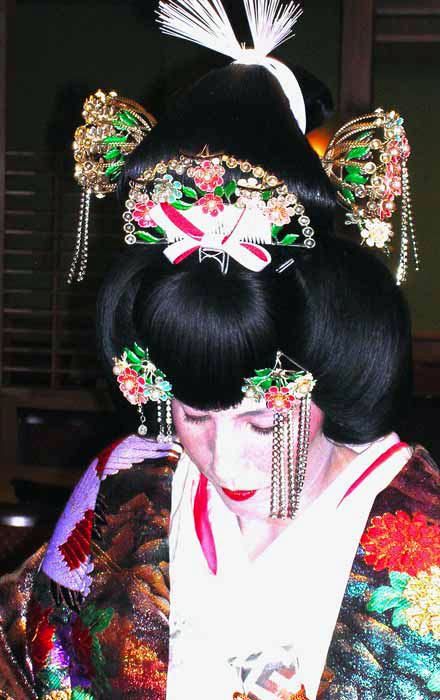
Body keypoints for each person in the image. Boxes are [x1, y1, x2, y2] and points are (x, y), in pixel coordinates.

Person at [0, 2, 438, 700]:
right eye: (195, 416)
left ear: (328, 370)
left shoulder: (424, 531)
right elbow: (26, 658)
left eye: (262, 421)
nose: (224, 461)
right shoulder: (126, 486)